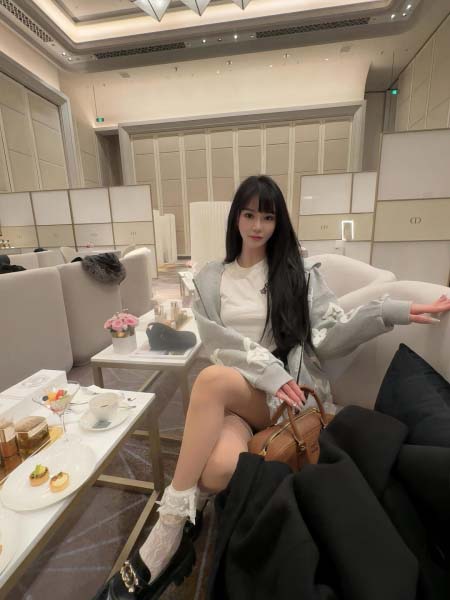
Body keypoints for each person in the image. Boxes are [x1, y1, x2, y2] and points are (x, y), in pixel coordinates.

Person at [95, 175, 450, 600]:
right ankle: (194, 514)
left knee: (209, 380)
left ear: (278, 221)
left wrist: (392, 311)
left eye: (267, 216)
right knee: (216, 471)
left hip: (286, 397)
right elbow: (217, 341)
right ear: (236, 218)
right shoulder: (211, 277)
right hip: (238, 398)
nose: (257, 225)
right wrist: (266, 371)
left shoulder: (297, 273)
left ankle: (167, 532)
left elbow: (329, 332)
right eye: (249, 214)